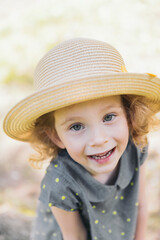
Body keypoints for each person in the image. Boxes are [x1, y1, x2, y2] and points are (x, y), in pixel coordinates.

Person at [3, 38, 160, 240]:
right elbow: (75, 236)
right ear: (56, 137)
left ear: (129, 116)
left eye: (109, 117)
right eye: (76, 126)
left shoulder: (136, 147)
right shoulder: (60, 181)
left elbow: (140, 206)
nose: (98, 139)